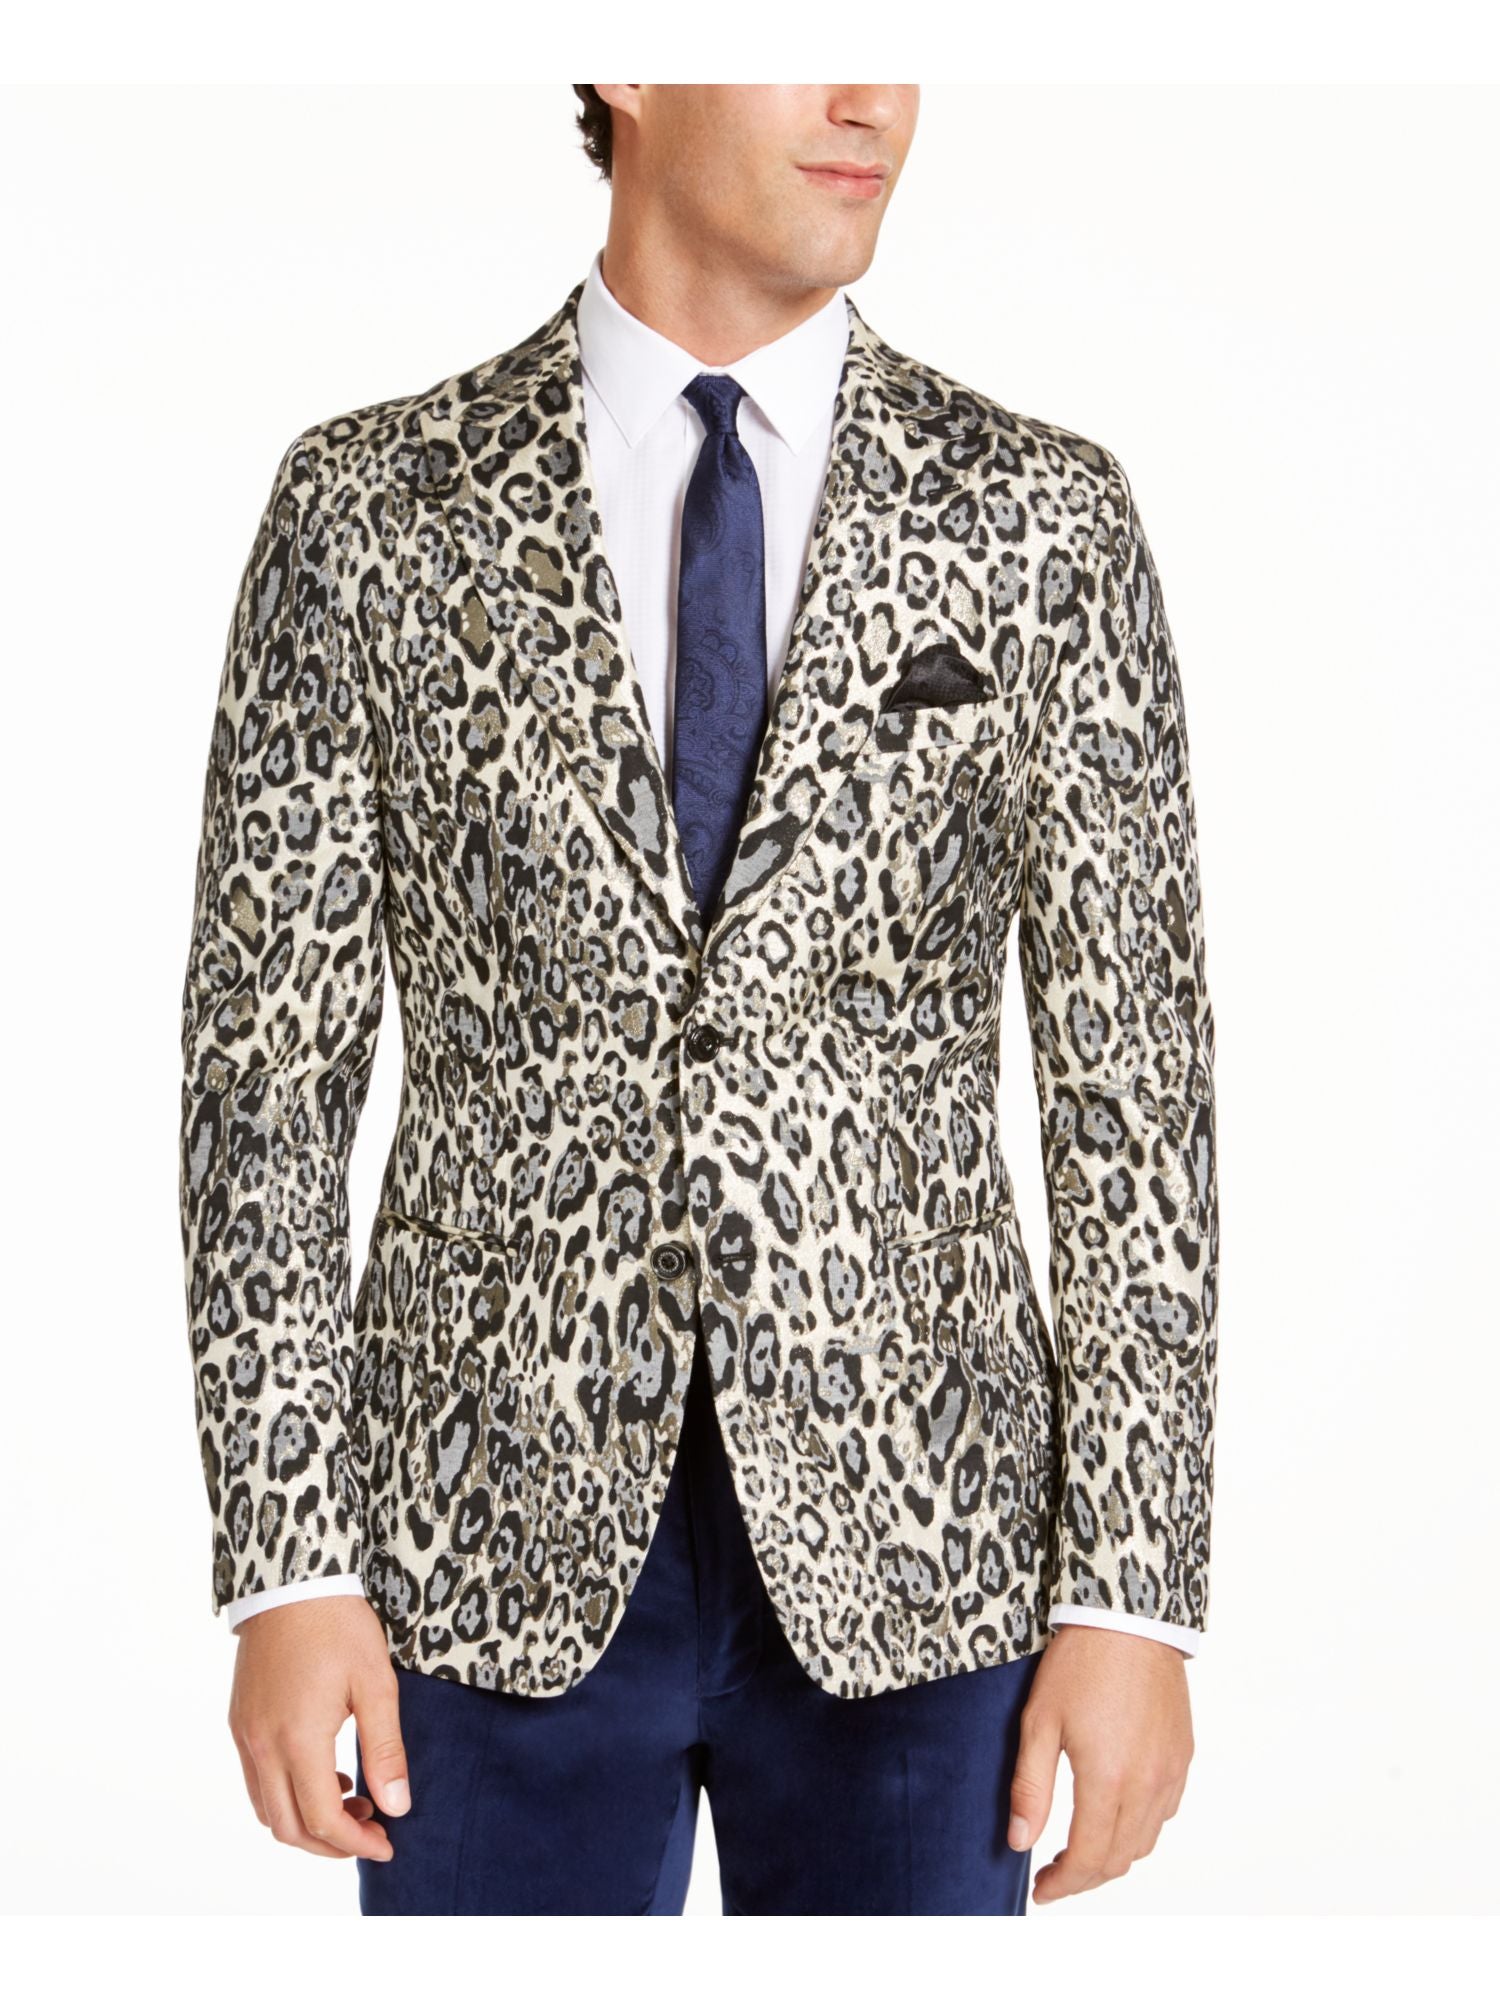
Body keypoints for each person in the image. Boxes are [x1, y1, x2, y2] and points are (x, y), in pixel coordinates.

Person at [178, 83, 1218, 1917]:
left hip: (932, 1539)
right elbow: (263, 1080)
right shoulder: (372, 510)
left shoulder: (1041, 519)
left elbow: (1136, 1091)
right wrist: (287, 1560)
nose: (871, 98)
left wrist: (1133, 1594)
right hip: (475, 1535)